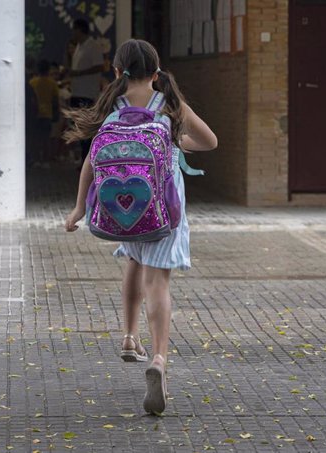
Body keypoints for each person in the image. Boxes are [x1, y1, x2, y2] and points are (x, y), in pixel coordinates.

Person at [63, 39, 217, 415]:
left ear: (117, 71)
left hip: (121, 210)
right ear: (157, 68)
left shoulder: (111, 104)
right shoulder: (169, 104)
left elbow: (91, 161)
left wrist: (79, 208)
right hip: (164, 210)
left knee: (132, 258)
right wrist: (174, 142)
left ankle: (130, 336)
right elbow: (210, 141)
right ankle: (160, 359)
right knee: (158, 281)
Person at [68, 19, 105, 165]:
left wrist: (79, 73)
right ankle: (83, 160)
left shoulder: (93, 46)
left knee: (86, 130)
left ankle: (88, 160)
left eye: (75, 30)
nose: (73, 34)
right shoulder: (79, 46)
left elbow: (99, 67)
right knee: (79, 128)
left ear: (80, 30)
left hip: (87, 93)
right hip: (76, 92)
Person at [28, 59, 59, 167]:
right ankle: (45, 160)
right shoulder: (52, 83)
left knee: (35, 138)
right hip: (47, 114)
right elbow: (55, 99)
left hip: (35, 114)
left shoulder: (32, 82)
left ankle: (36, 159)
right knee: (46, 139)